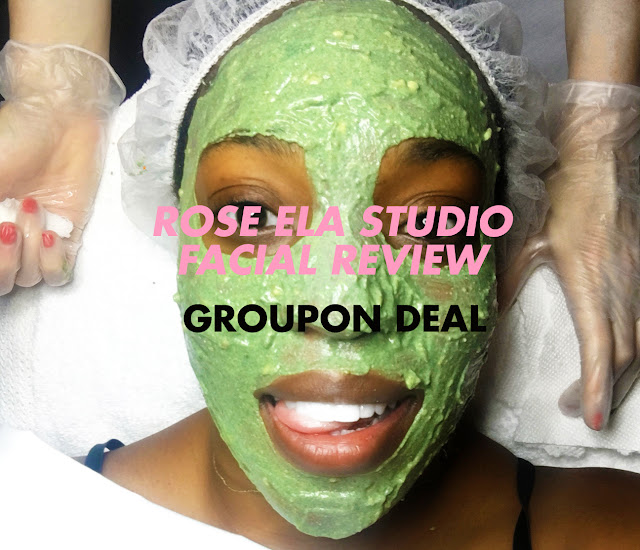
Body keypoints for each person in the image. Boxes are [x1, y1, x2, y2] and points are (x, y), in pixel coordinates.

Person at [73, 1, 639, 548]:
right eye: (251, 214)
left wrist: (597, 140)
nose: (342, 310)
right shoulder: (40, 513)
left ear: (498, 269)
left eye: (433, 222)